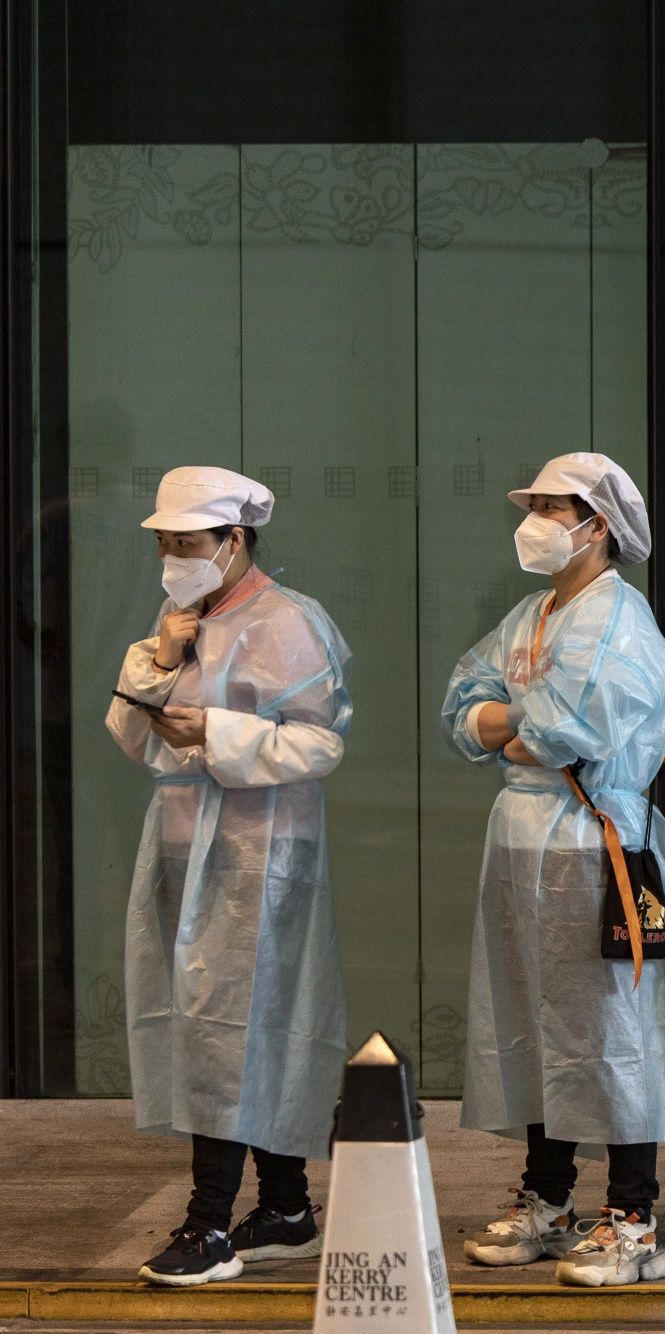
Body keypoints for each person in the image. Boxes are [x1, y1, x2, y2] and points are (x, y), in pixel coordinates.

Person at [442, 452, 665, 1288]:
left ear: (597, 525)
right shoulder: (529, 615)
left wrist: (510, 728)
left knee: (614, 1026)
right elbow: (460, 709)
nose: (534, 522)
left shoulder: (620, 620)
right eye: (533, 506)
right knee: (537, 1020)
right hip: (522, 843)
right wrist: (512, 728)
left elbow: (568, 731)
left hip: (595, 844)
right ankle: (549, 1196)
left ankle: (633, 1215)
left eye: (552, 508)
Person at [112, 467, 353, 1287]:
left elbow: (320, 742)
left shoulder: (287, 621)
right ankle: (285, 1208)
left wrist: (215, 732)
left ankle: (208, 1223)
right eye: (164, 544)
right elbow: (131, 736)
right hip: (182, 840)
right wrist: (159, 660)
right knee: (224, 1027)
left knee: (232, 1029)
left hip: (262, 849)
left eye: (187, 543)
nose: (173, 559)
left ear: (234, 539)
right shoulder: (181, 623)